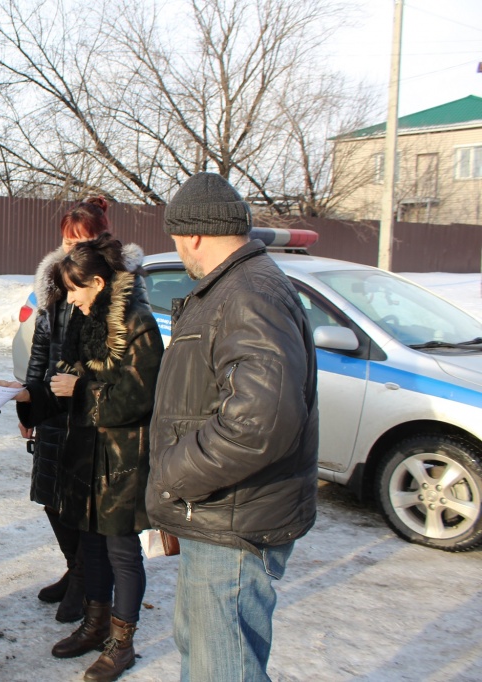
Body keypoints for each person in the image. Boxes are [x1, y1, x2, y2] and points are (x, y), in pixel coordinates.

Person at [146, 172, 318, 682]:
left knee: (223, 669)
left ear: (194, 234)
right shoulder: (234, 286)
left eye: (176, 239)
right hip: (220, 513)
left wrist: (173, 472)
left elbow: (259, 422)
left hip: (234, 524)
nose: (178, 250)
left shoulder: (248, 293)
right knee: (201, 654)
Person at [9, 234, 163, 682]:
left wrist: (81, 391)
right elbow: (65, 381)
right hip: (86, 453)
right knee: (92, 542)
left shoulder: (137, 324)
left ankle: (122, 641)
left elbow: (140, 396)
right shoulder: (85, 318)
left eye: (74, 290)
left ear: (97, 282)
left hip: (122, 457)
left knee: (121, 550)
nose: (69, 300)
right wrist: (29, 394)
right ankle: (94, 625)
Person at [13, 196, 118, 623]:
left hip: (89, 410)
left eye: (83, 239)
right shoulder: (54, 282)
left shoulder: (114, 282)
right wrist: (28, 411)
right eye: (68, 239)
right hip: (52, 404)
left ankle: (87, 583)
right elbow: (40, 348)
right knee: (50, 496)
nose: (74, 247)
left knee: (79, 501)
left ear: (100, 238)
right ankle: (73, 568)